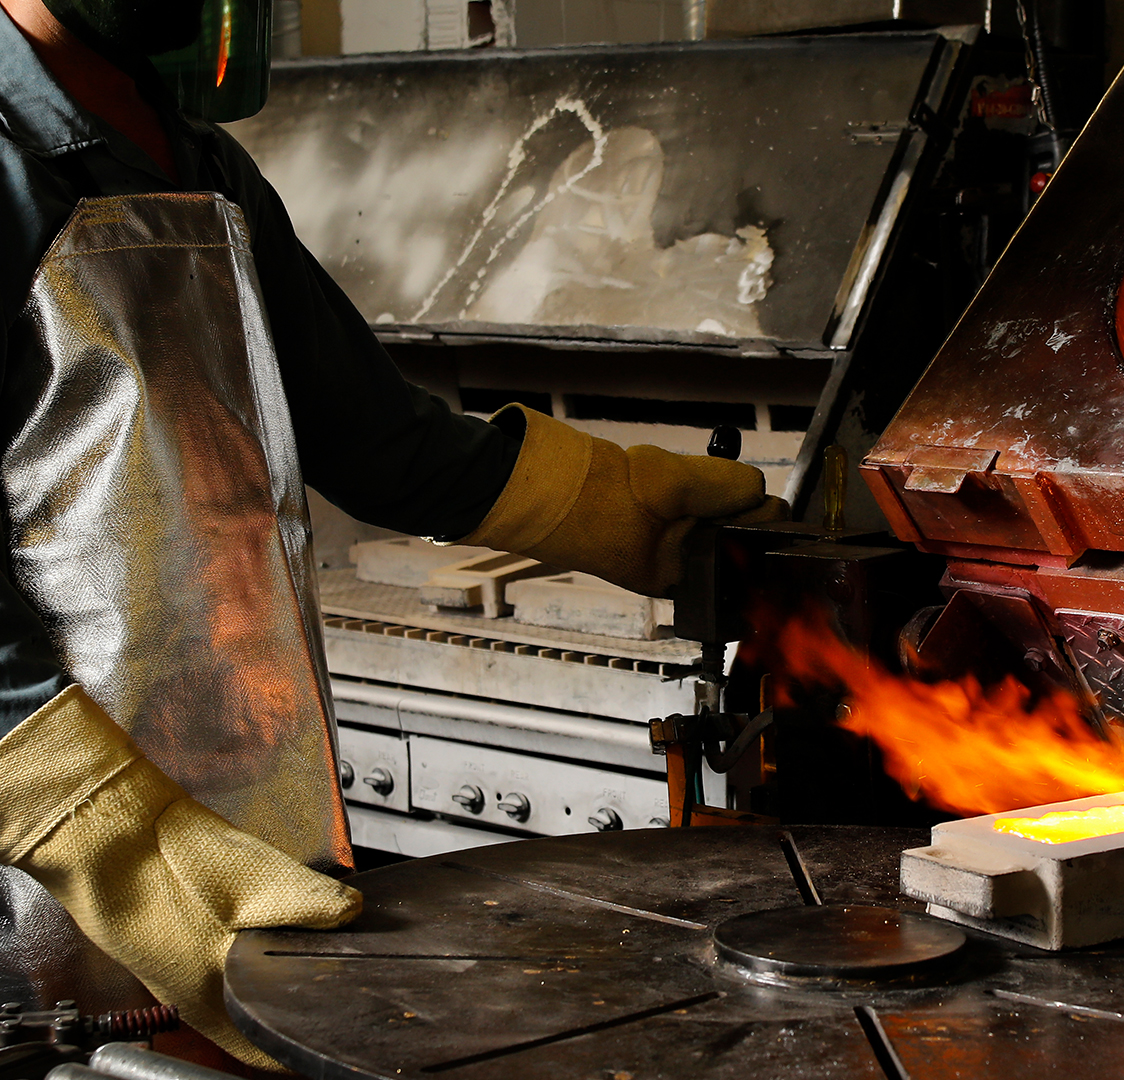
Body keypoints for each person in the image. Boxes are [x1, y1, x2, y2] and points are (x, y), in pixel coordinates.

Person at [0, 0, 781, 1067]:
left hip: (250, 822)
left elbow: (373, 437)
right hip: (54, 871)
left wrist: (619, 503)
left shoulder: (200, 166)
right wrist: (106, 833)